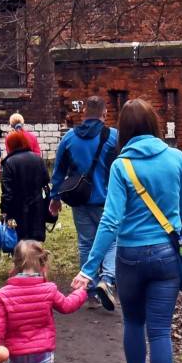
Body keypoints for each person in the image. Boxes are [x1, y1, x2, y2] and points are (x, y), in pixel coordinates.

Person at [75, 97, 182, 363]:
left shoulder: (121, 166)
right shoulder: (176, 158)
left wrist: (90, 267)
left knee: (133, 324)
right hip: (167, 257)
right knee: (160, 331)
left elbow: (110, 221)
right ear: (155, 124)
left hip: (129, 257)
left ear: (124, 131)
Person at [50, 96, 119, 309]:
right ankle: (107, 280)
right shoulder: (113, 137)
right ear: (104, 114)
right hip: (107, 200)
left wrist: (55, 197)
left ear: (84, 113)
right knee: (112, 241)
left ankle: (89, 291)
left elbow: (59, 169)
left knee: (85, 243)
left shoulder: (69, 138)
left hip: (79, 200)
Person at [0, 130, 50, 243]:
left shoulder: (9, 162)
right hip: (37, 207)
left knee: (19, 242)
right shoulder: (38, 159)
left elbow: (7, 192)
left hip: (17, 209)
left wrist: (4, 211)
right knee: (35, 242)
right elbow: (46, 181)